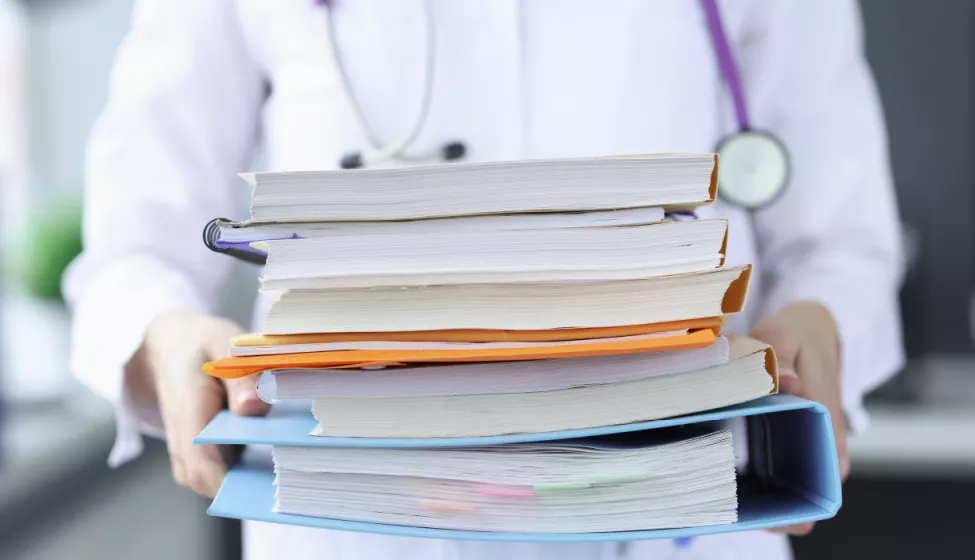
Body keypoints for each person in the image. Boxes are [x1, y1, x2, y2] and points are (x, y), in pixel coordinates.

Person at [64, 1, 904, 559]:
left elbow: (843, 242)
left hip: (683, 517)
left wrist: (821, 322)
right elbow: (132, 253)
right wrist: (162, 333)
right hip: (354, 525)